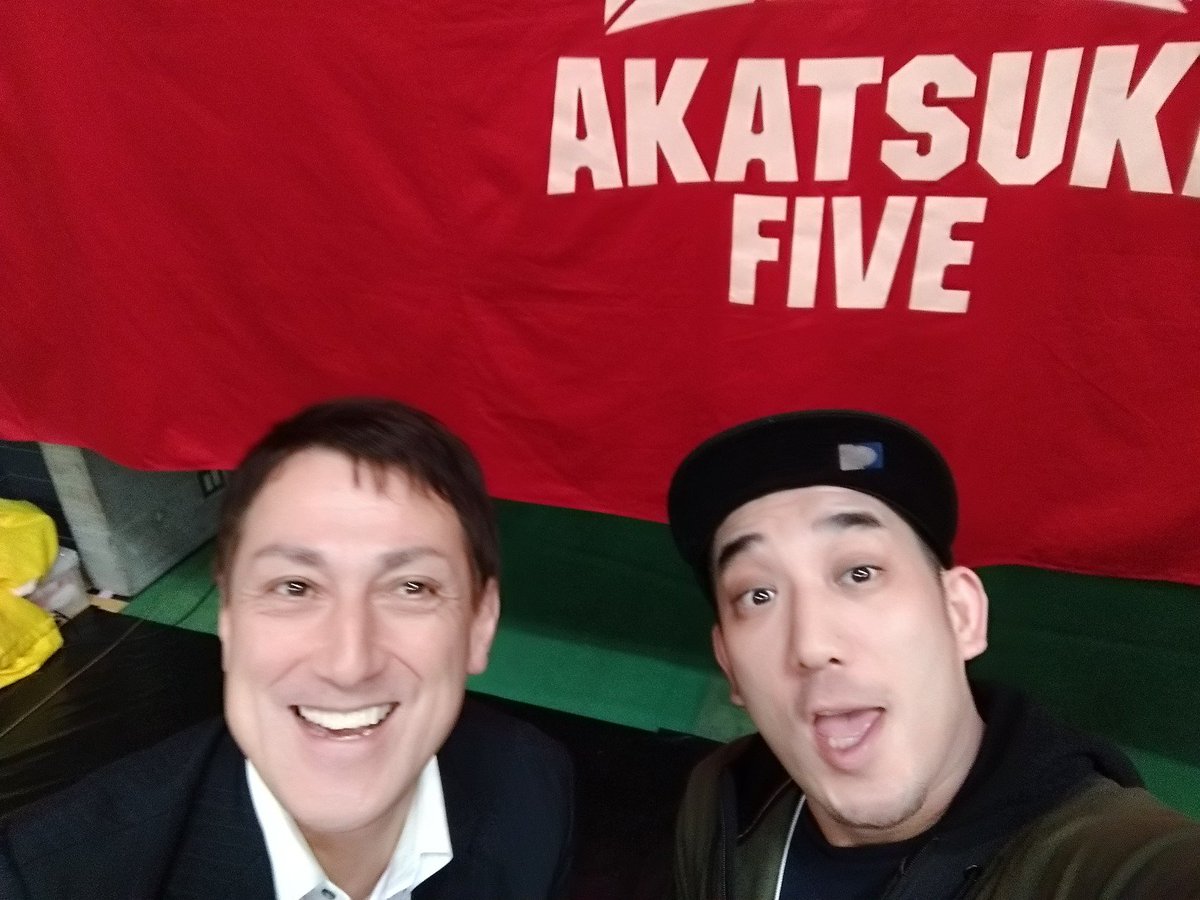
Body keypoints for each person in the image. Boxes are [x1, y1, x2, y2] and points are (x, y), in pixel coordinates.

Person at [0, 398, 573, 899]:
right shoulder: (43, 878)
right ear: (228, 617)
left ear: (479, 625)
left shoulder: (531, 783)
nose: (348, 664)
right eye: (295, 587)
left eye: (411, 587)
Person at [666, 409, 1200, 899]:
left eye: (859, 573)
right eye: (758, 595)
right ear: (729, 664)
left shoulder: (1115, 864)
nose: (811, 645)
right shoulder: (722, 802)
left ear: (961, 614)